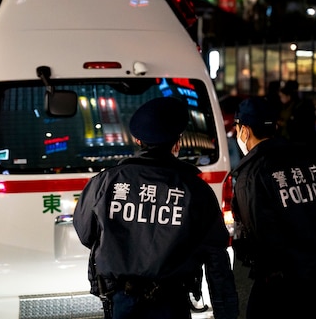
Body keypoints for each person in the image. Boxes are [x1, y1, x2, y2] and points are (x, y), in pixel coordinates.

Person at [73, 97, 239, 319]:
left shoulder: (105, 182)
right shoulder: (195, 189)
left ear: (138, 140)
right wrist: (226, 313)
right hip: (172, 302)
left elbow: (86, 234)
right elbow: (216, 257)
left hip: (121, 300)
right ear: (177, 142)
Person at [231, 97, 316, 319]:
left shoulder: (251, 176)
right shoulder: (311, 160)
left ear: (245, 131)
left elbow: (258, 239)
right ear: (276, 127)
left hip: (279, 287)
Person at [277, 80, 316, 147]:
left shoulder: (298, 107)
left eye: (282, 96)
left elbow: (301, 124)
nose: (280, 99)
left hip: (298, 140)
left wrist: (286, 123)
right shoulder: (287, 106)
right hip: (293, 139)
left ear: (288, 96)